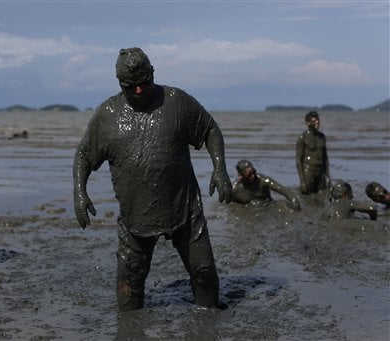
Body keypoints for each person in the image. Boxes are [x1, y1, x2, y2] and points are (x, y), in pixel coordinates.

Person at [73, 47, 232, 311]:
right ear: (120, 83)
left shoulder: (177, 102)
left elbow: (210, 130)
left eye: (144, 82)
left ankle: (209, 314)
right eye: (130, 85)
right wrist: (80, 192)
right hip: (135, 217)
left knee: (203, 270)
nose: (138, 90)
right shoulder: (107, 115)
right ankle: (129, 325)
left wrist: (220, 169)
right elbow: (84, 155)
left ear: (153, 73)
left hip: (184, 208)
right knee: (130, 279)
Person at [232, 159, 301, 210]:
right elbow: (229, 204)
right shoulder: (235, 189)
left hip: (268, 206)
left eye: (254, 172)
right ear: (240, 175)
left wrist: (295, 202)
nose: (253, 176)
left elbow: (283, 190)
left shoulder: (263, 180)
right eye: (249, 174)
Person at [296, 111, 331, 194]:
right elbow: (298, 160)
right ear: (308, 123)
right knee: (308, 197)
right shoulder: (302, 138)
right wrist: (302, 180)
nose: (318, 122)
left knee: (323, 195)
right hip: (308, 171)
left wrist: (328, 176)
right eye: (315, 120)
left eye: (318, 120)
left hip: (321, 172)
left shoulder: (322, 137)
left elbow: (325, 158)